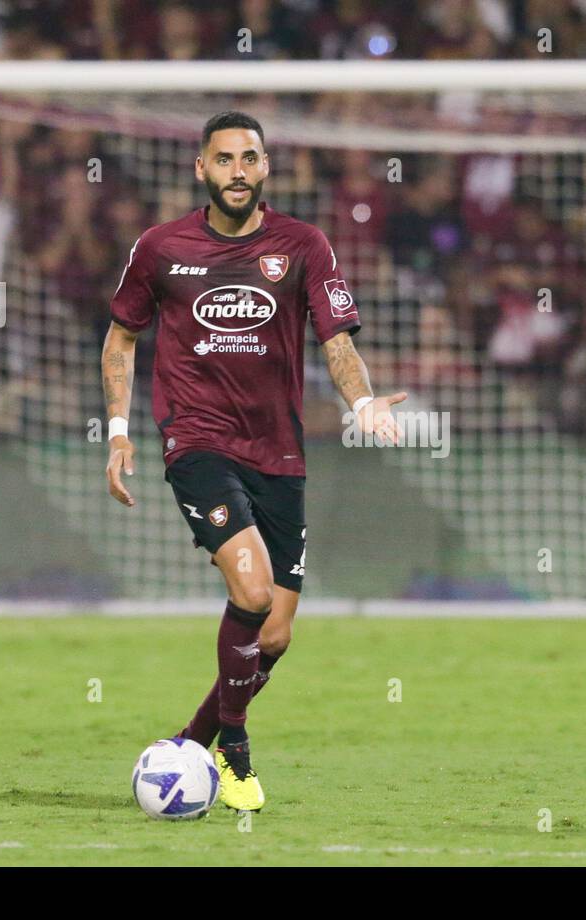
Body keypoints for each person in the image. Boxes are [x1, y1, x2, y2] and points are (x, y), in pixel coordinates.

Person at [101, 111, 405, 812]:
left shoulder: (303, 246)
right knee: (252, 590)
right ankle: (233, 749)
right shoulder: (160, 247)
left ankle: (189, 742)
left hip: (279, 452)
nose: (238, 170)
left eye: (251, 158)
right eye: (225, 159)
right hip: (197, 441)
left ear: (266, 168)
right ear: (200, 169)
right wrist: (119, 431)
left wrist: (362, 404)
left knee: (275, 632)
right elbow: (121, 339)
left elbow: (336, 343)